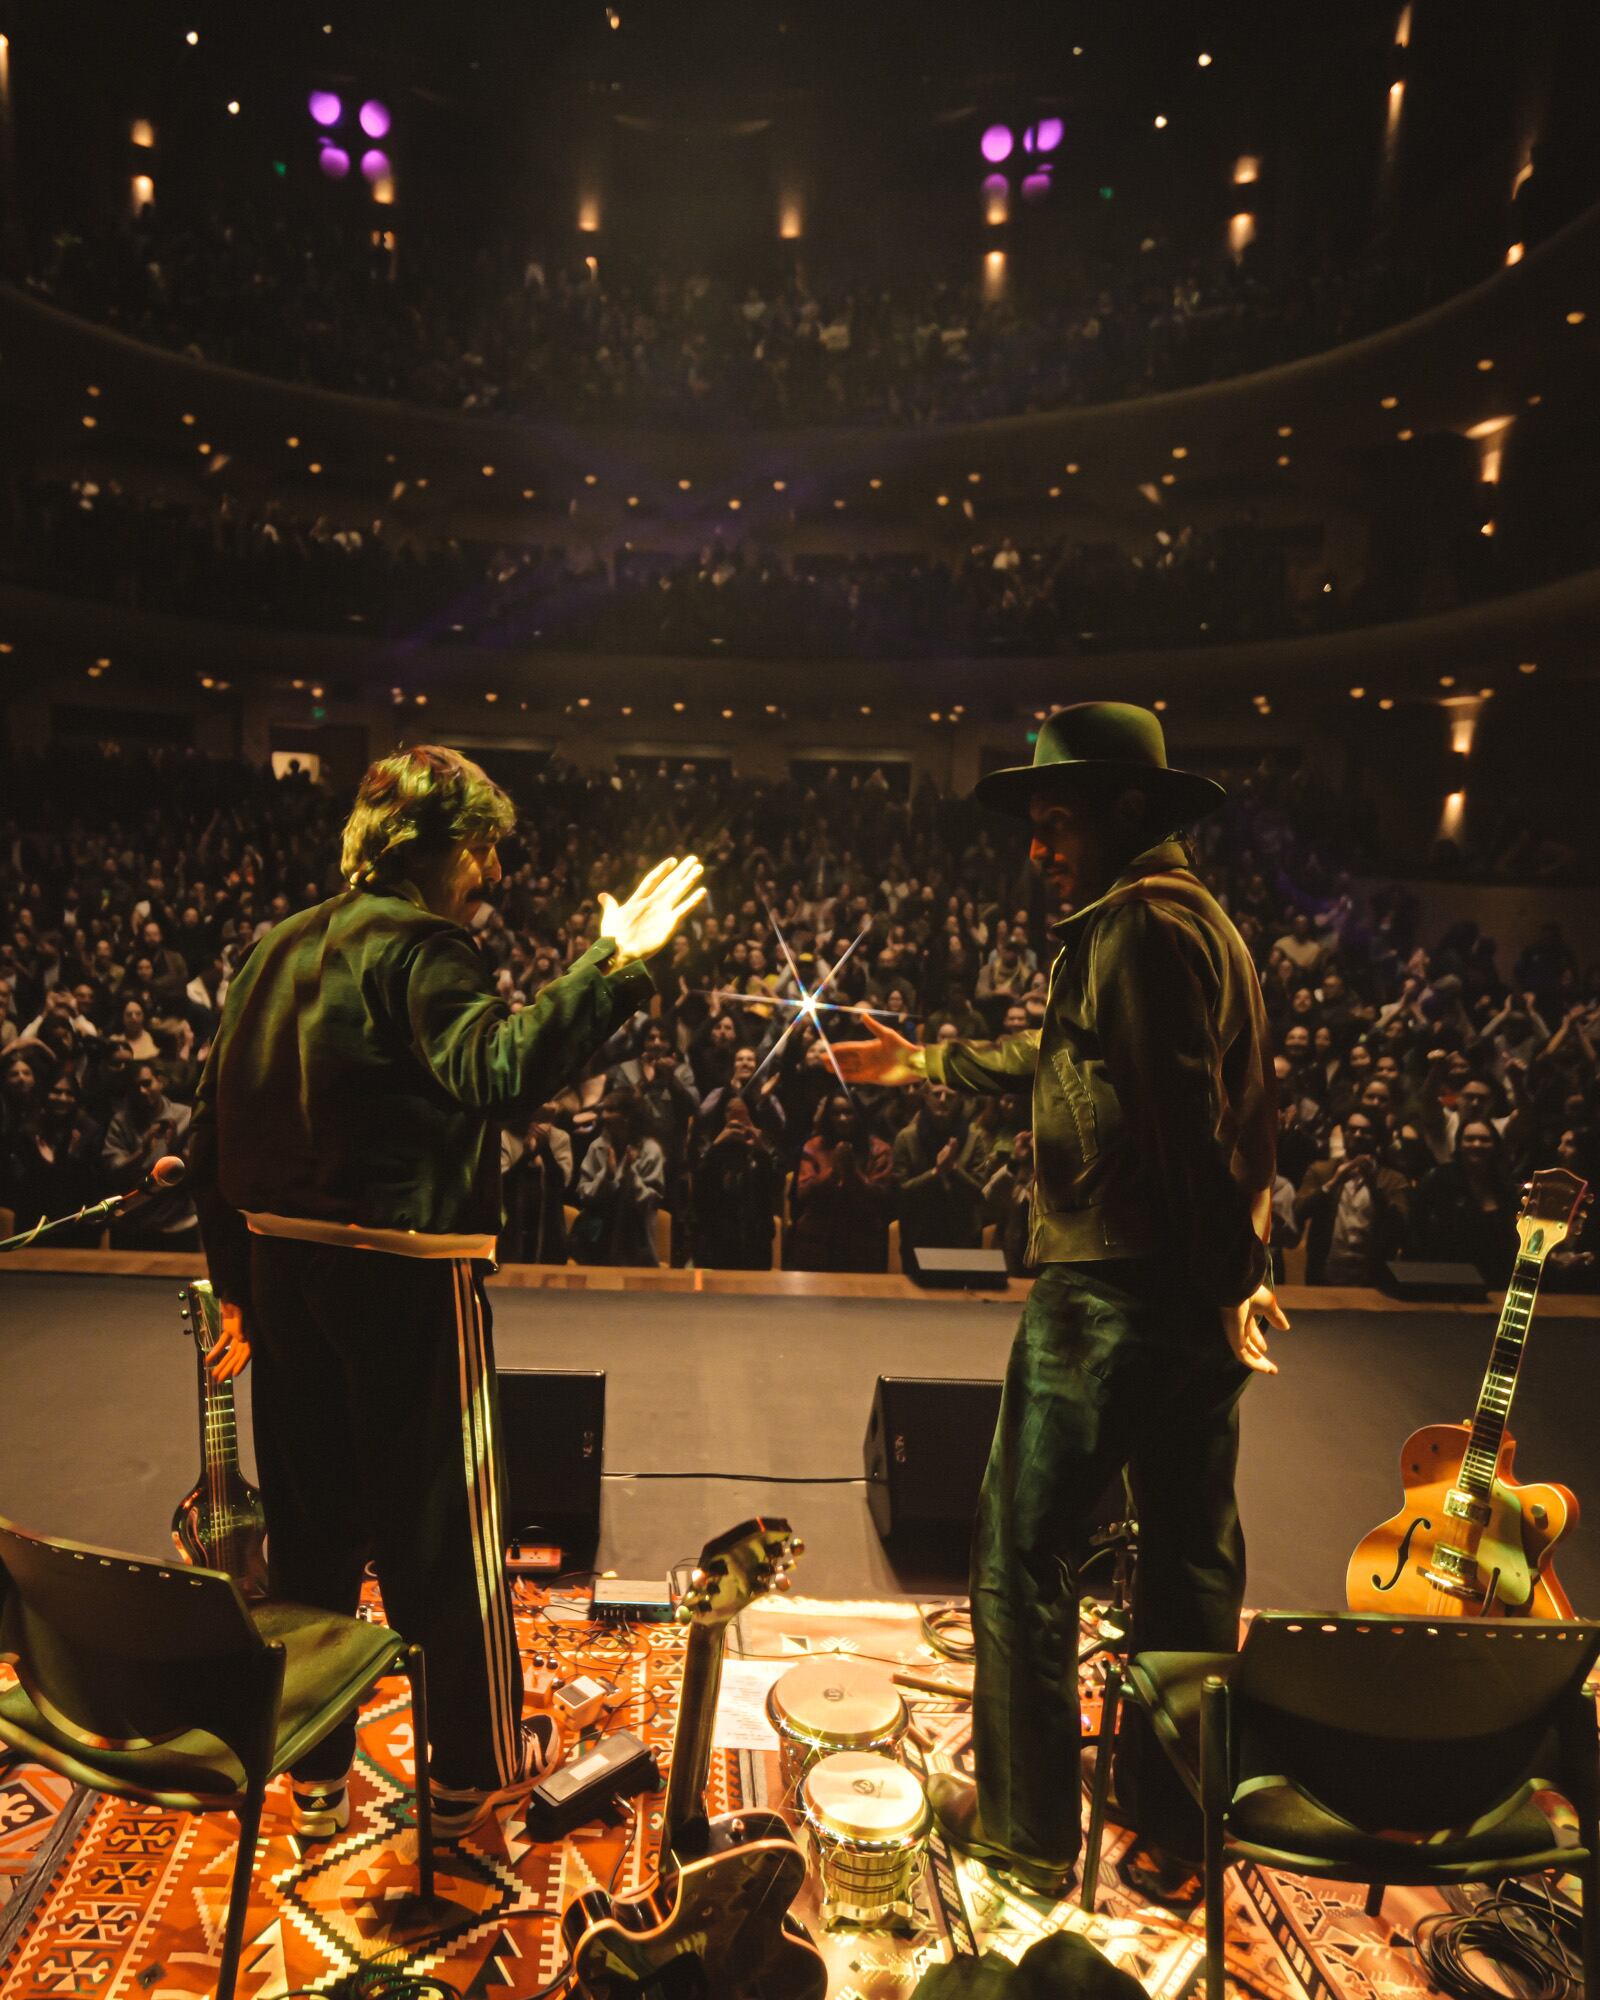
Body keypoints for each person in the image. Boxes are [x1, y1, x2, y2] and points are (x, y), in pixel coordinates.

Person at [191, 745, 703, 1841]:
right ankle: (470, 1766)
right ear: (436, 847)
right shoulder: (427, 948)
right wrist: (614, 964)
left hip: (283, 1271)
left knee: (312, 1534)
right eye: (483, 848)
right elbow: (501, 1068)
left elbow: (206, 1129)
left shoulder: (273, 948)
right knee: (445, 1532)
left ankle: (316, 1775)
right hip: (407, 1276)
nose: (494, 873)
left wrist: (237, 1284)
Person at [833, 702, 1282, 1896]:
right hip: (1190, 1295)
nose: (1037, 848)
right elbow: (1077, 1061)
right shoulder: (1200, 925)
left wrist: (1218, 1282)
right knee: (1190, 1556)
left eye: (1054, 823)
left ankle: (1026, 1831)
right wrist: (921, 1059)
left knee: (1021, 1551)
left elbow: (1182, 1127)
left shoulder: (1133, 929)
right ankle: (1168, 1812)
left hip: (1113, 1295)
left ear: (1124, 811)